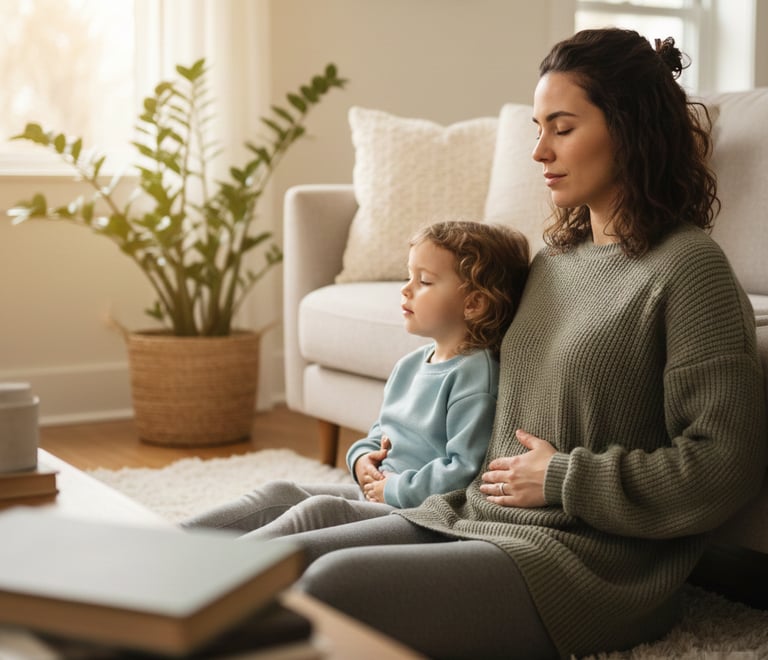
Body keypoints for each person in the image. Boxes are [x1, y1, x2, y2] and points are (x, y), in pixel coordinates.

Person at [264, 29, 767, 660]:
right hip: (473, 516)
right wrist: (388, 454)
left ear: (630, 130)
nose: (538, 151)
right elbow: (472, 378)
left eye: (561, 127)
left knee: (330, 587)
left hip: (584, 561)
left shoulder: (690, 269)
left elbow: (726, 464)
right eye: (537, 127)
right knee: (291, 514)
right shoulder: (556, 260)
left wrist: (563, 477)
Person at [182, 220, 530, 538]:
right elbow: (381, 433)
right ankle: (169, 538)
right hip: (381, 494)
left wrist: (393, 489)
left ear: (474, 304)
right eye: (409, 277)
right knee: (279, 493)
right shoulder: (410, 365)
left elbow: (463, 471)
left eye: (423, 281)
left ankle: (220, 573)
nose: (406, 290)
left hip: (420, 512)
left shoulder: (475, 377)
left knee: (319, 512)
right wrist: (361, 458)